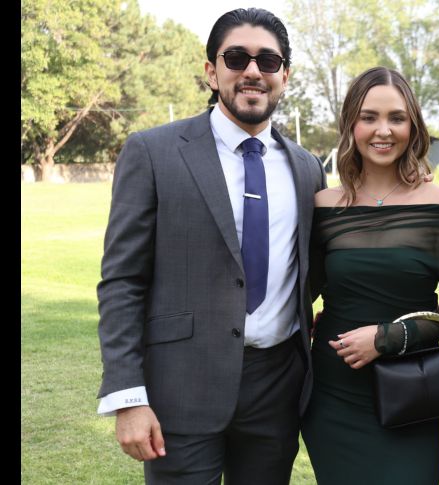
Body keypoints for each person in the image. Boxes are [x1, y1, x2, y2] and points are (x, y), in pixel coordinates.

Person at [96, 8, 326, 484]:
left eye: (268, 61)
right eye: (236, 57)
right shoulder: (153, 152)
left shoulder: (307, 168)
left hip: (277, 390)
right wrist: (127, 395)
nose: (252, 72)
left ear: (284, 75)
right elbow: (122, 280)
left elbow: (313, 271)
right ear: (210, 71)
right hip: (180, 388)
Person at [300, 66, 439, 485]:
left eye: (396, 118)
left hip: (411, 394)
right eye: (369, 117)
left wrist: (387, 338)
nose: (384, 130)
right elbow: (302, 292)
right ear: (351, 125)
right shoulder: (323, 206)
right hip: (333, 397)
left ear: (412, 126)